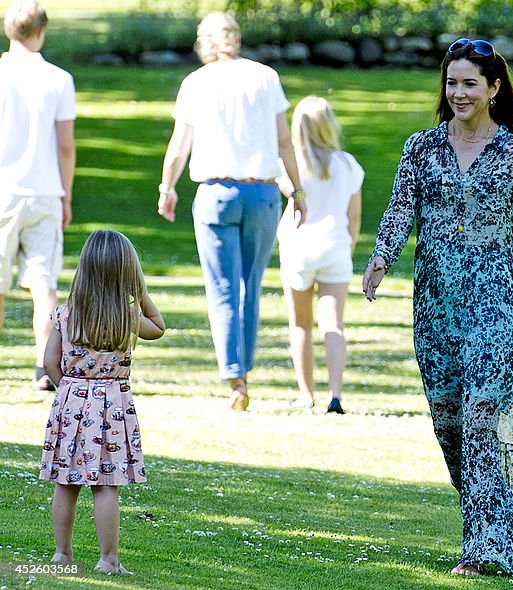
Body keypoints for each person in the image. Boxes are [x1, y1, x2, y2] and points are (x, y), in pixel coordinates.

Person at [363, 37, 513, 576]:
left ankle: (484, 548)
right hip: (436, 301)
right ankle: (501, 524)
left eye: (471, 83)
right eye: (452, 82)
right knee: (450, 422)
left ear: (494, 88)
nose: (459, 92)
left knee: (481, 418)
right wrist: (382, 258)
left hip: (494, 298)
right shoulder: (421, 147)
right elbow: (401, 208)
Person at [157, 12, 306, 411]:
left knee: (222, 288)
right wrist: (299, 189)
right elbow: (283, 141)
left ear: (204, 42)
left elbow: (179, 144)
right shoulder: (265, 76)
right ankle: (244, 373)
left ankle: (235, 378)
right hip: (262, 194)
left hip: (216, 192)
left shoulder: (196, 82)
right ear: (235, 39)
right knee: (250, 286)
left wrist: (167, 187)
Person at [39, 229, 165, 575]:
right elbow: (159, 327)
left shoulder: (65, 314)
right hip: (111, 405)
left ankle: (62, 555)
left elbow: (50, 362)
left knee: (66, 481)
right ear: (127, 275)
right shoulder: (126, 318)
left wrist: (68, 389)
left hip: (71, 400)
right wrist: (139, 293)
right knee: (105, 484)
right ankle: (108, 560)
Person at [0, 0, 76, 392]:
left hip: (3, 190)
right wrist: (66, 194)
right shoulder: (58, 78)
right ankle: (44, 366)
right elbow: (65, 145)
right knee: (44, 284)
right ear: (42, 31)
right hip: (45, 188)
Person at [276, 96, 363, 413]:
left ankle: (305, 394)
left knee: (300, 324)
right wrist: (348, 247)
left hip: (299, 247)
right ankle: (336, 395)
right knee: (334, 323)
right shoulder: (347, 164)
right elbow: (354, 217)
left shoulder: (290, 166)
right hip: (335, 248)